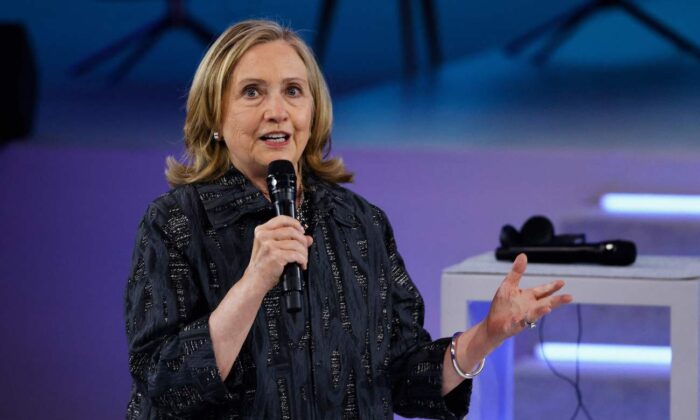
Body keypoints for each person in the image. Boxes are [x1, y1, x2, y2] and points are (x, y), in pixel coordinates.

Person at [124, 19, 572, 419]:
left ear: (313, 111)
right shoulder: (176, 222)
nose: (277, 110)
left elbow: (404, 375)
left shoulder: (360, 223)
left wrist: (485, 336)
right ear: (214, 116)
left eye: (293, 91)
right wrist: (253, 283)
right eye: (252, 92)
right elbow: (165, 383)